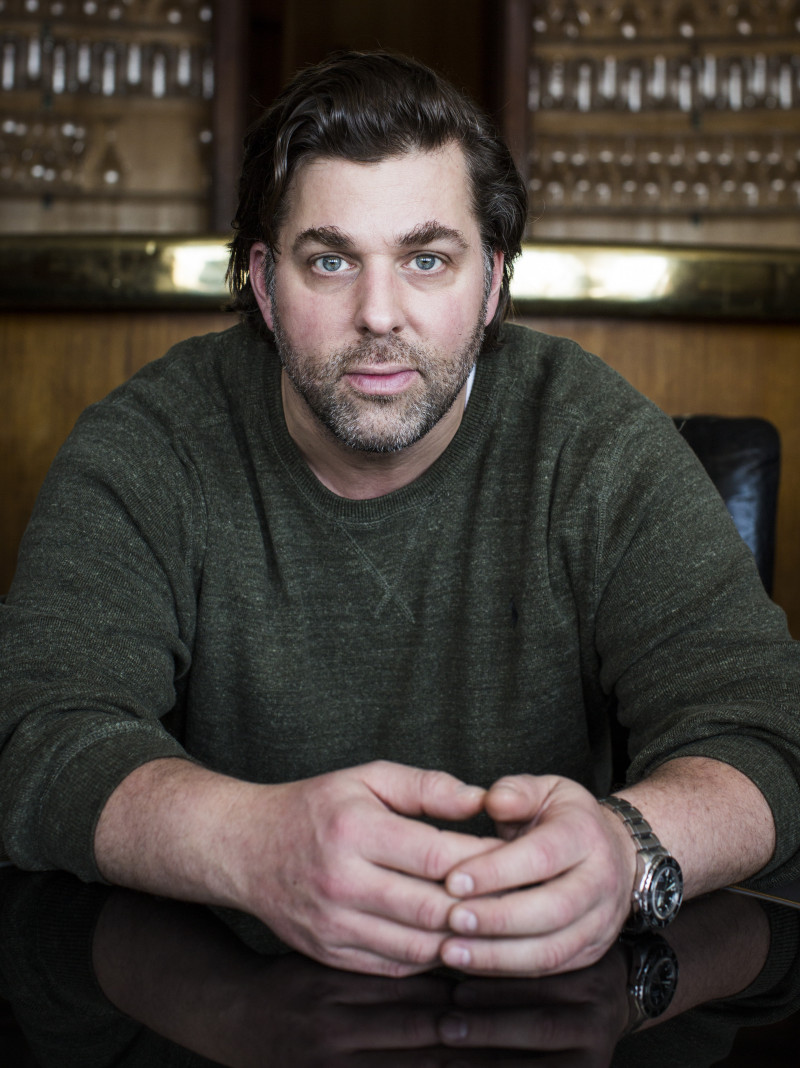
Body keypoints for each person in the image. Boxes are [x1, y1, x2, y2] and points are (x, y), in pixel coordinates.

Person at [1, 51, 799, 980]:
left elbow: (766, 729)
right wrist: (248, 843)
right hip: (217, 1006)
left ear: (491, 281)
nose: (379, 314)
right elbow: (33, 731)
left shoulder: (594, 443)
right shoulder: (149, 443)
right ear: (264, 284)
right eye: (330, 261)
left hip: (546, 1006)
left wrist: (629, 853)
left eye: (427, 259)